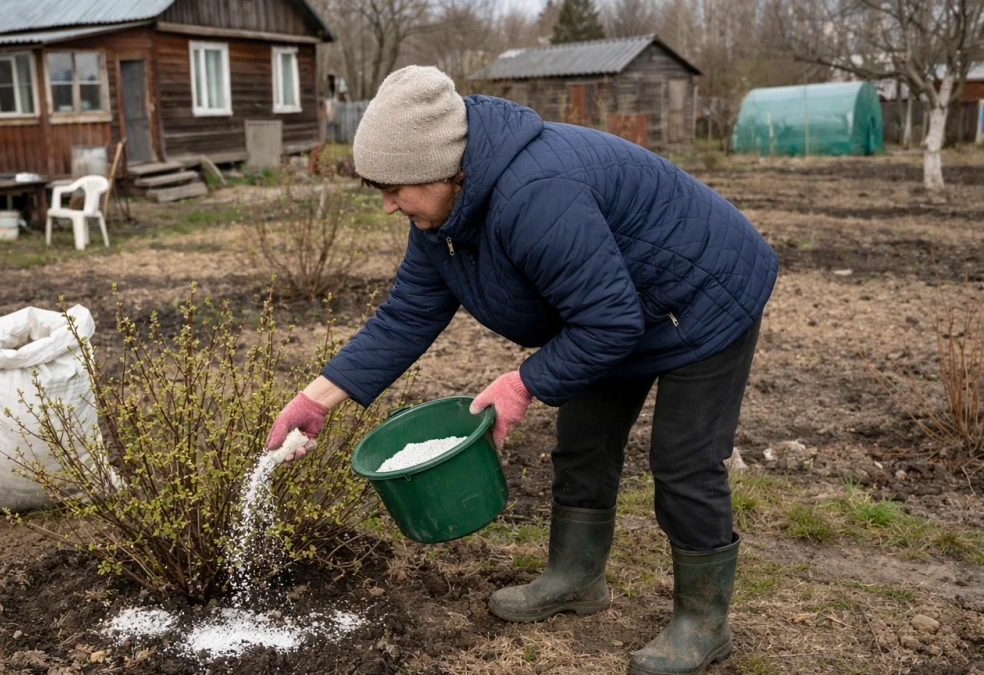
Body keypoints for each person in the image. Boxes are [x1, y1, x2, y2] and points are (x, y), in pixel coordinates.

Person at [265, 65, 777, 675]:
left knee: (683, 461)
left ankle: (702, 622)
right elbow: (406, 315)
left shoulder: (535, 191)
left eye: (395, 187)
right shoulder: (440, 219)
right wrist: (318, 398)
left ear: (444, 168)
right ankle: (575, 578)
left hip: (700, 299)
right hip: (612, 308)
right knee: (583, 444)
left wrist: (521, 383)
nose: (386, 205)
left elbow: (607, 322)